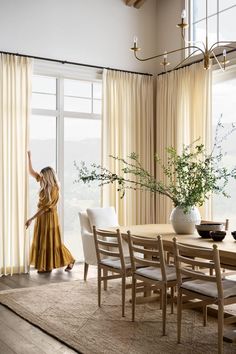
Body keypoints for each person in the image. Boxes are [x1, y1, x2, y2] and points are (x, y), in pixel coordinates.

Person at [25, 151, 75, 272]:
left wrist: (31, 219)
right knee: (43, 241)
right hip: (42, 217)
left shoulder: (53, 189)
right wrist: (29, 157)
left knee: (53, 242)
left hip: (50, 217)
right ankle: (46, 266)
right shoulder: (43, 182)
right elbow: (31, 172)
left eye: (43, 176)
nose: (41, 177)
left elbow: (44, 208)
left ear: (48, 176)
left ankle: (70, 259)